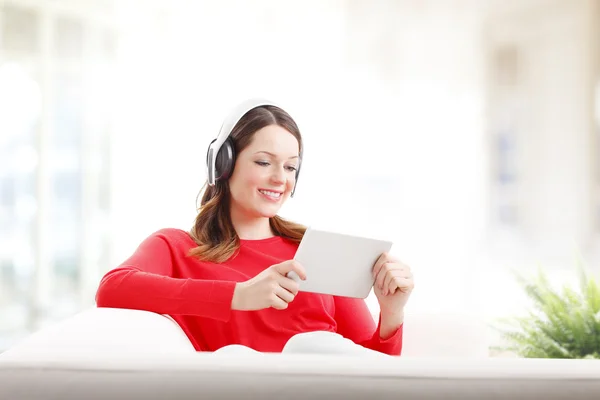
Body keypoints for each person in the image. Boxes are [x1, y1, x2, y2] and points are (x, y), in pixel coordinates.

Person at [95, 99, 415, 356]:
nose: (280, 178)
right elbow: (112, 288)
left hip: (328, 387)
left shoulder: (318, 250)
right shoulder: (176, 247)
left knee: (314, 348)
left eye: (290, 166)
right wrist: (238, 295)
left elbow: (374, 371)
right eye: (264, 162)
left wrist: (391, 313)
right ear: (224, 164)